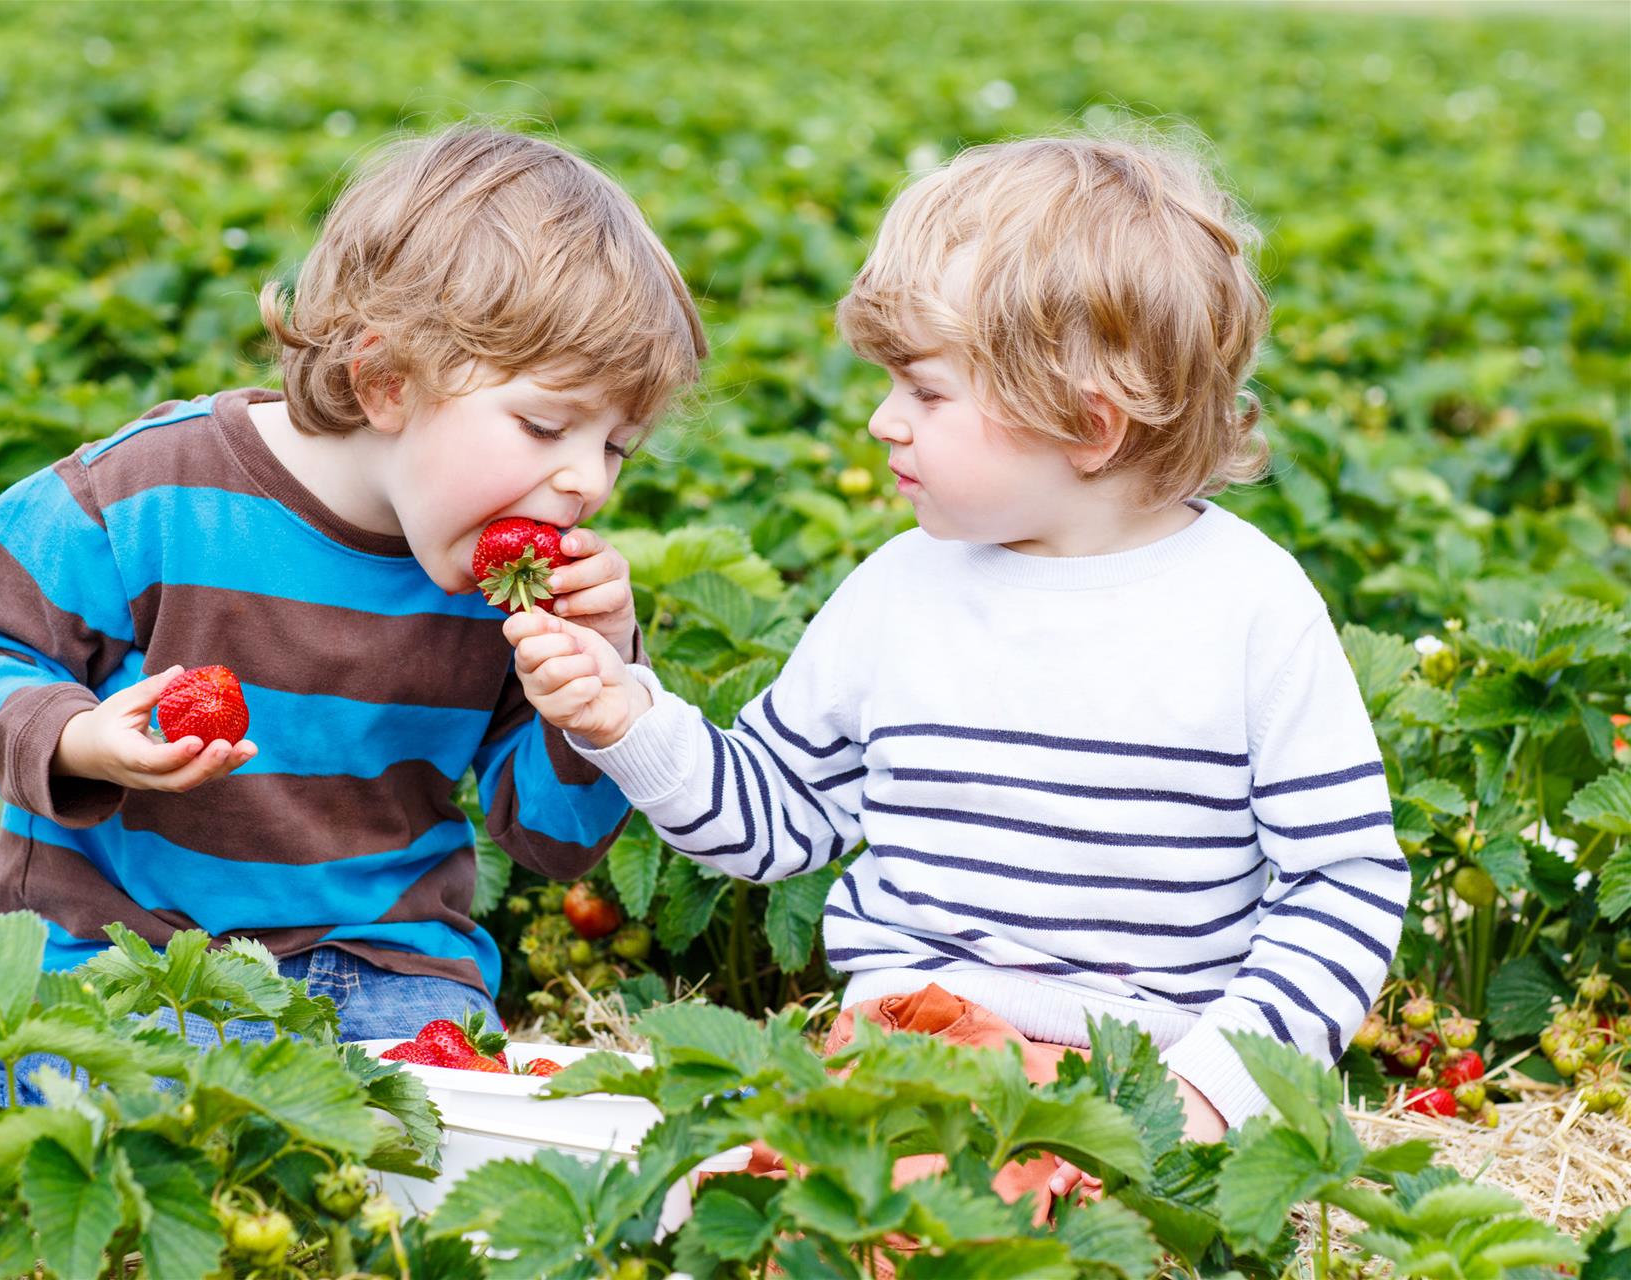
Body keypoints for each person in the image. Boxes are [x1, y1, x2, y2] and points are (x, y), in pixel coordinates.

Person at [504, 132, 1407, 1223]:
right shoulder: (900, 588)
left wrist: (1216, 1084)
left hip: (1145, 1081)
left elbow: (1344, 882)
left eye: (924, 391)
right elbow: (776, 819)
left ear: (1087, 422)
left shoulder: (1250, 607)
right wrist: (627, 713)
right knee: (729, 1204)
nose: (884, 419)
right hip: (912, 1041)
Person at [0, 125, 706, 1130]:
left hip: (389, 967)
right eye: (546, 426)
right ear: (385, 380)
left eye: (617, 446)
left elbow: (553, 839)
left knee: (446, 1140)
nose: (586, 479)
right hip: (135, 952)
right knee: (59, 1109)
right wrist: (77, 739)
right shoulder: (146, 497)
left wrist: (601, 695)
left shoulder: (516, 595)